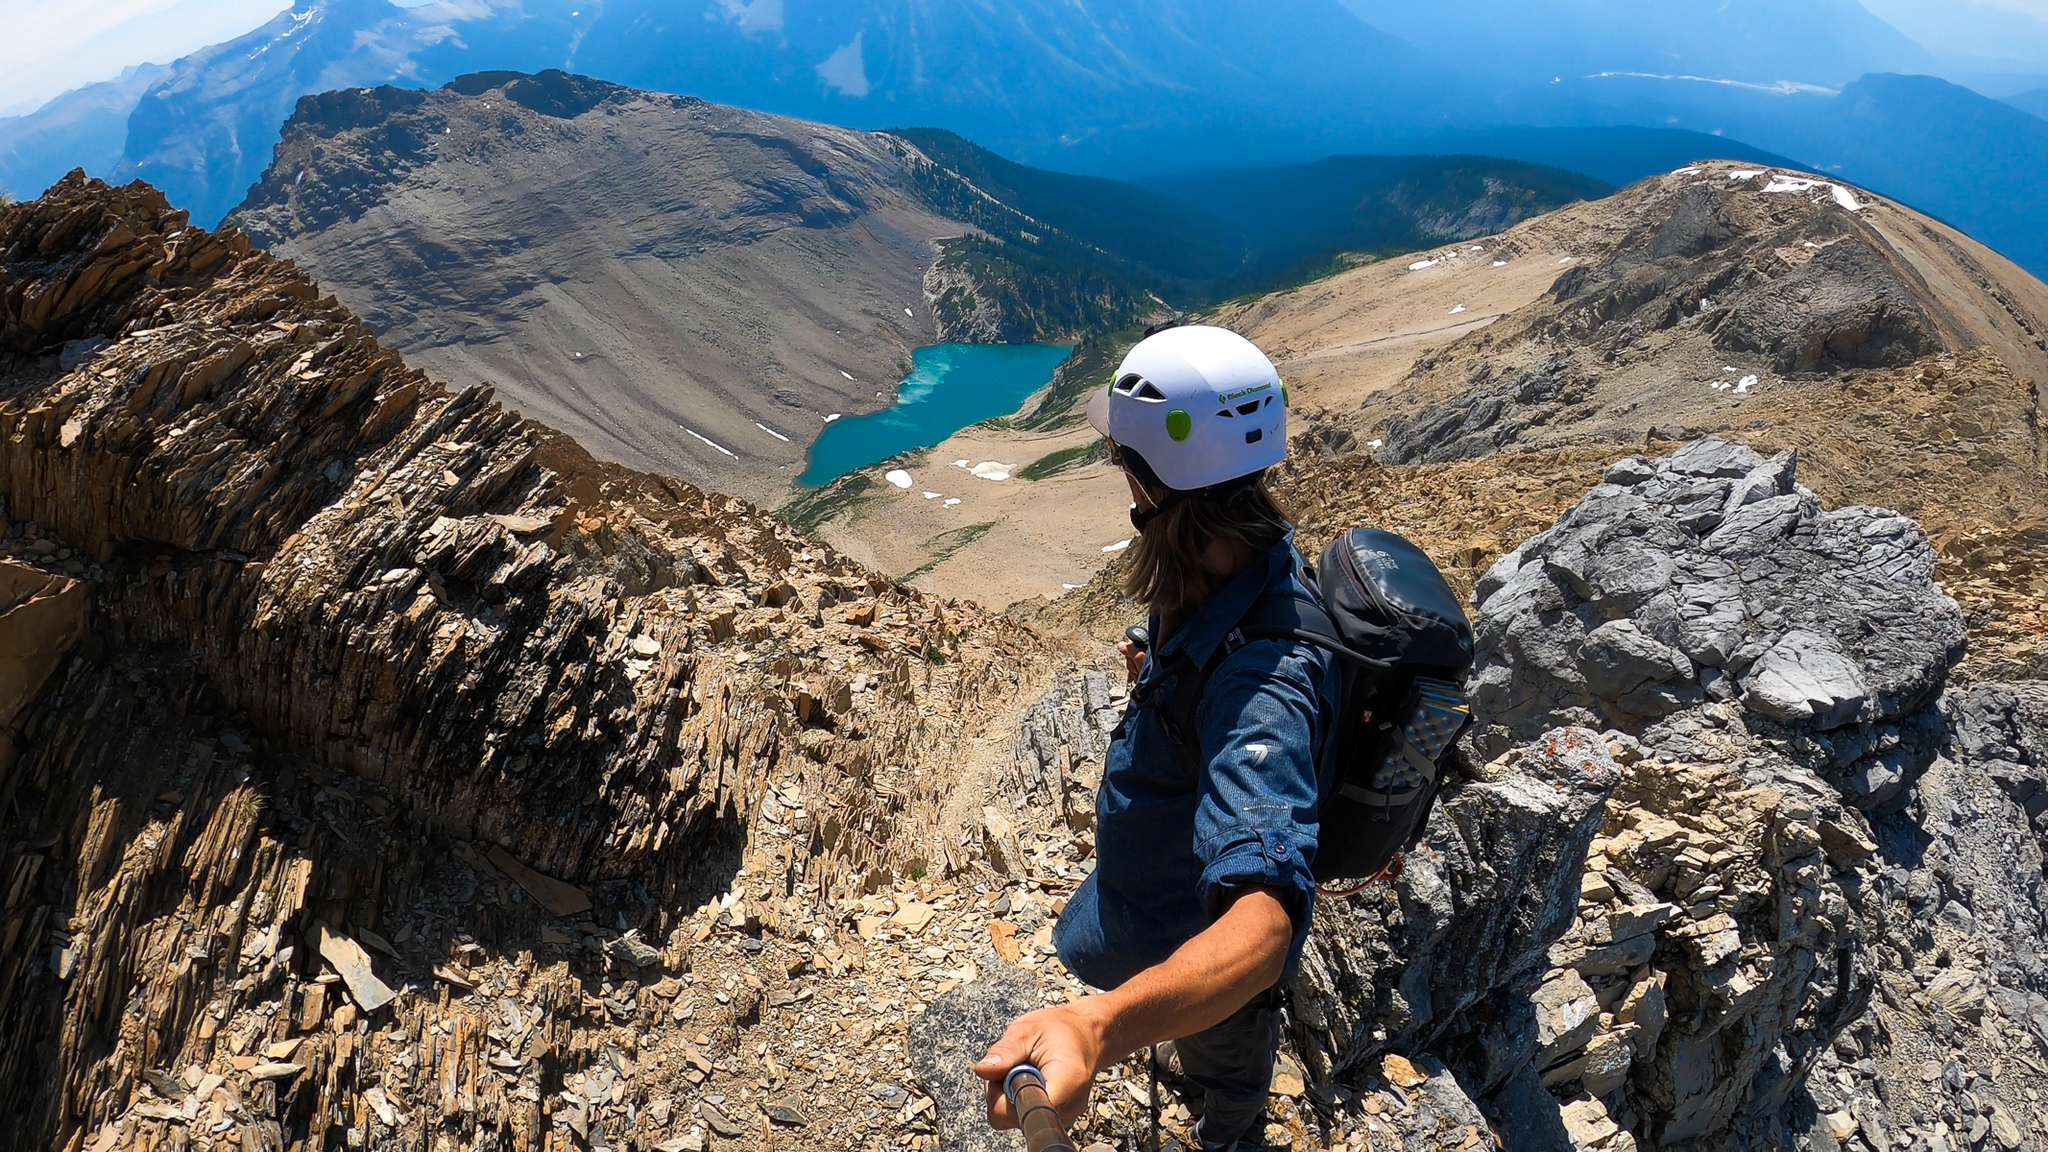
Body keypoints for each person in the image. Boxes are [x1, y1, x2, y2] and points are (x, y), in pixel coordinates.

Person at [974, 326, 1339, 1152]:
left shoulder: (1260, 682)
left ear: (1148, 479)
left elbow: (1264, 927)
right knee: (1212, 1047)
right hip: (1156, 907)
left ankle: (1231, 1134)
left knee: (1228, 1074)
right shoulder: (1230, 569)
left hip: (1191, 936)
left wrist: (1099, 1026)